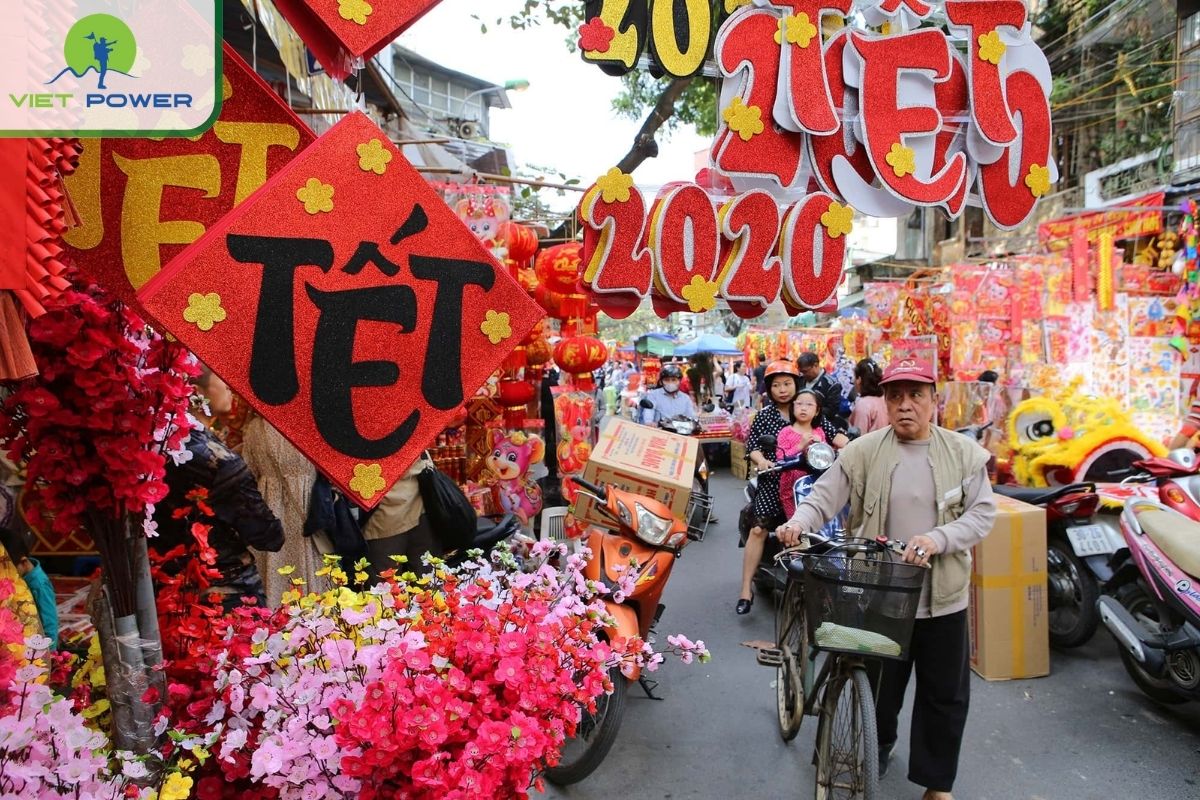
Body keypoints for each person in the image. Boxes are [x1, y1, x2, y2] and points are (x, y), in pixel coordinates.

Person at [776, 358, 995, 800]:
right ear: (885, 401)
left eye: (916, 395)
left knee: (943, 696)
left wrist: (939, 538)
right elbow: (824, 497)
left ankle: (938, 784)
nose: (905, 405)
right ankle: (876, 745)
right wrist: (798, 521)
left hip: (942, 597)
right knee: (879, 687)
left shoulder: (964, 454)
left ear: (935, 401)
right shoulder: (862, 451)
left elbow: (983, 514)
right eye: (895, 396)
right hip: (879, 593)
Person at [152, 368, 285, 612]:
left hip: (163, 588)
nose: (229, 387)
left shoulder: (156, 444)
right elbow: (268, 534)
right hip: (224, 590)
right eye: (220, 380)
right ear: (196, 392)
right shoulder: (218, 460)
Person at [736, 360, 802, 614]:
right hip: (774, 481)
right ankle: (745, 589)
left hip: (806, 483)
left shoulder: (808, 409)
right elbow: (752, 447)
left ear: (796, 385)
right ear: (769, 389)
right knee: (758, 530)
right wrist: (762, 460)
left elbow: (831, 434)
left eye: (787, 383)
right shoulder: (764, 416)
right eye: (777, 385)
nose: (783, 389)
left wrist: (851, 446)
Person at [241, 414, 320, 607]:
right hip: (309, 506)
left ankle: (273, 617)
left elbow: (248, 471)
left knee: (272, 568)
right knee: (310, 564)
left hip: (268, 506)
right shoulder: (315, 424)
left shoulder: (255, 428)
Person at [777, 390, 850, 518]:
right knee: (797, 525)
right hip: (791, 489)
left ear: (817, 411)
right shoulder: (785, 432)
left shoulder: (819, 431)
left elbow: (826, 456)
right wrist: (801, 445)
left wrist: (822, 444)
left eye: (809, 405)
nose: (803, 408)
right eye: (799, 404)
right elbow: (781, 458)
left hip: (816, 485)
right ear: (792, 407)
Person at [0, 527, 57, 649]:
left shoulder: (39, 585)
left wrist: (50, 656)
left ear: (24, 562)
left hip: (34, 649)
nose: (6, 574)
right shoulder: (17, 577)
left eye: (9, 570)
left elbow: (50, 624)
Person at [797, 352, 844, 422]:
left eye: (805, 371)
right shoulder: (800, 380)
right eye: (801, 372)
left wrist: (811, 409)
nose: (803, 374)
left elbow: (832, 411)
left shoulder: (831, 385)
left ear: (815, 365)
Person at [849, 358, 888, 434]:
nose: (853, 381)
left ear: (859, 379)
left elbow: (859, 437)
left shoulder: (863, 404)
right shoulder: (885, 399)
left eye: (854, 377)